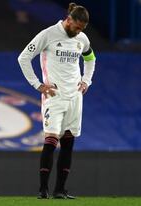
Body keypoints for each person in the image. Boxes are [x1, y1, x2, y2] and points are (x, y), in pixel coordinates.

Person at [17, 2, 96, 199]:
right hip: (54, 96)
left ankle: (60, 190)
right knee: (51, 141)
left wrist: (86, 80)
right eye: (77, 27)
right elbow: (23, 57)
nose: (79, 32)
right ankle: (43, 190)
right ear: (69, 20)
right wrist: (38, 85)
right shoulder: (48, 34)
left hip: (75, 97)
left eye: (82, 29)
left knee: (68, 143)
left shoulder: (82, 39)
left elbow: (90, 58)